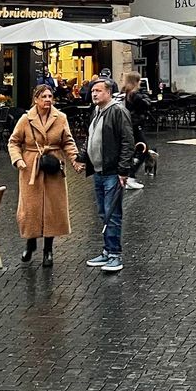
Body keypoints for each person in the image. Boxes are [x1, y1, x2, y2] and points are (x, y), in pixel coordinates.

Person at [8, 84, 82, 267]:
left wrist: (75, 160)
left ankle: (48, 250)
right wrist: (18, 160)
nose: (48, 99)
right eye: (44, 96)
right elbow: (14, 142)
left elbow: (68, 142)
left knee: (52, 210)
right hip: (31, 167)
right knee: (30, 209)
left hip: (53, 167)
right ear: (36, 99)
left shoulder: (61, 118)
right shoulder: (26, 119)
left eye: (50, 96)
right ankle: (30, 243)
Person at [79, 76, 134, 273]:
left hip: (112, 172)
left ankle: (114, 254)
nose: (94, 94)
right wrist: (82, 156)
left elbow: (128, 142)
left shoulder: (118, 111)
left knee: (113, 214)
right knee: (103, 212)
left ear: (108, 93)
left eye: (98, 91)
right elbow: (90, 136)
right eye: (93, 91)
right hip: (98, 171)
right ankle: (106, 250)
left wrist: (123, 170)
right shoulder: (96, 111)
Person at [120, 71, 151, 189]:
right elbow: (146, 105)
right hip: (134, 125)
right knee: (143, 149)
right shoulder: (135, 95)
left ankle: (126, 175)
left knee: (131, 150)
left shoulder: (124, 93)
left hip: (127, 125)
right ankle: (130, 176)